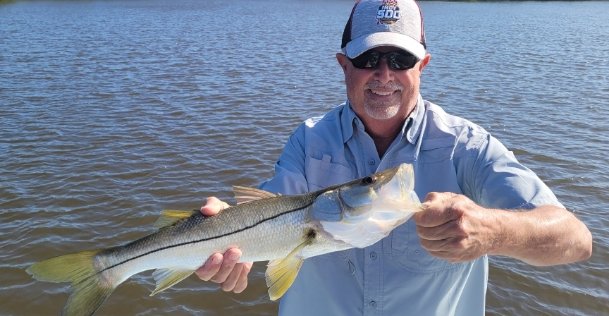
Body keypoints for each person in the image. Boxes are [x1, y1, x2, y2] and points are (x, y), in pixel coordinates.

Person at [193, 0, 592, 314]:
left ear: (424, 65)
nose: (384, 75)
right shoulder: (309, 139)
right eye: (368, 59)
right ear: (343, 65)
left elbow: (575, 240)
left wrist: (494, 231)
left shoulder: (466, 146)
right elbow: (273, 210)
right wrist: (224, 229)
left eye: (400, 60)